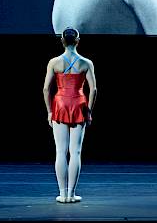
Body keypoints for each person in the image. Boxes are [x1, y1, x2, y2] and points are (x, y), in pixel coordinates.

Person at [42, 27, 97, 203]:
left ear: (62, 41)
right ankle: (71, 194)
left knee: (60, 151)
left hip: (60, 104)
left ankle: (62, 194)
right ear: (78, 41)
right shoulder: (86, 63)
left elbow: (46, 89)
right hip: (78, 104)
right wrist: (89, 110)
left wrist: (49, 111)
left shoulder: (54, 62)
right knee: (76, 151)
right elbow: (93, 89)